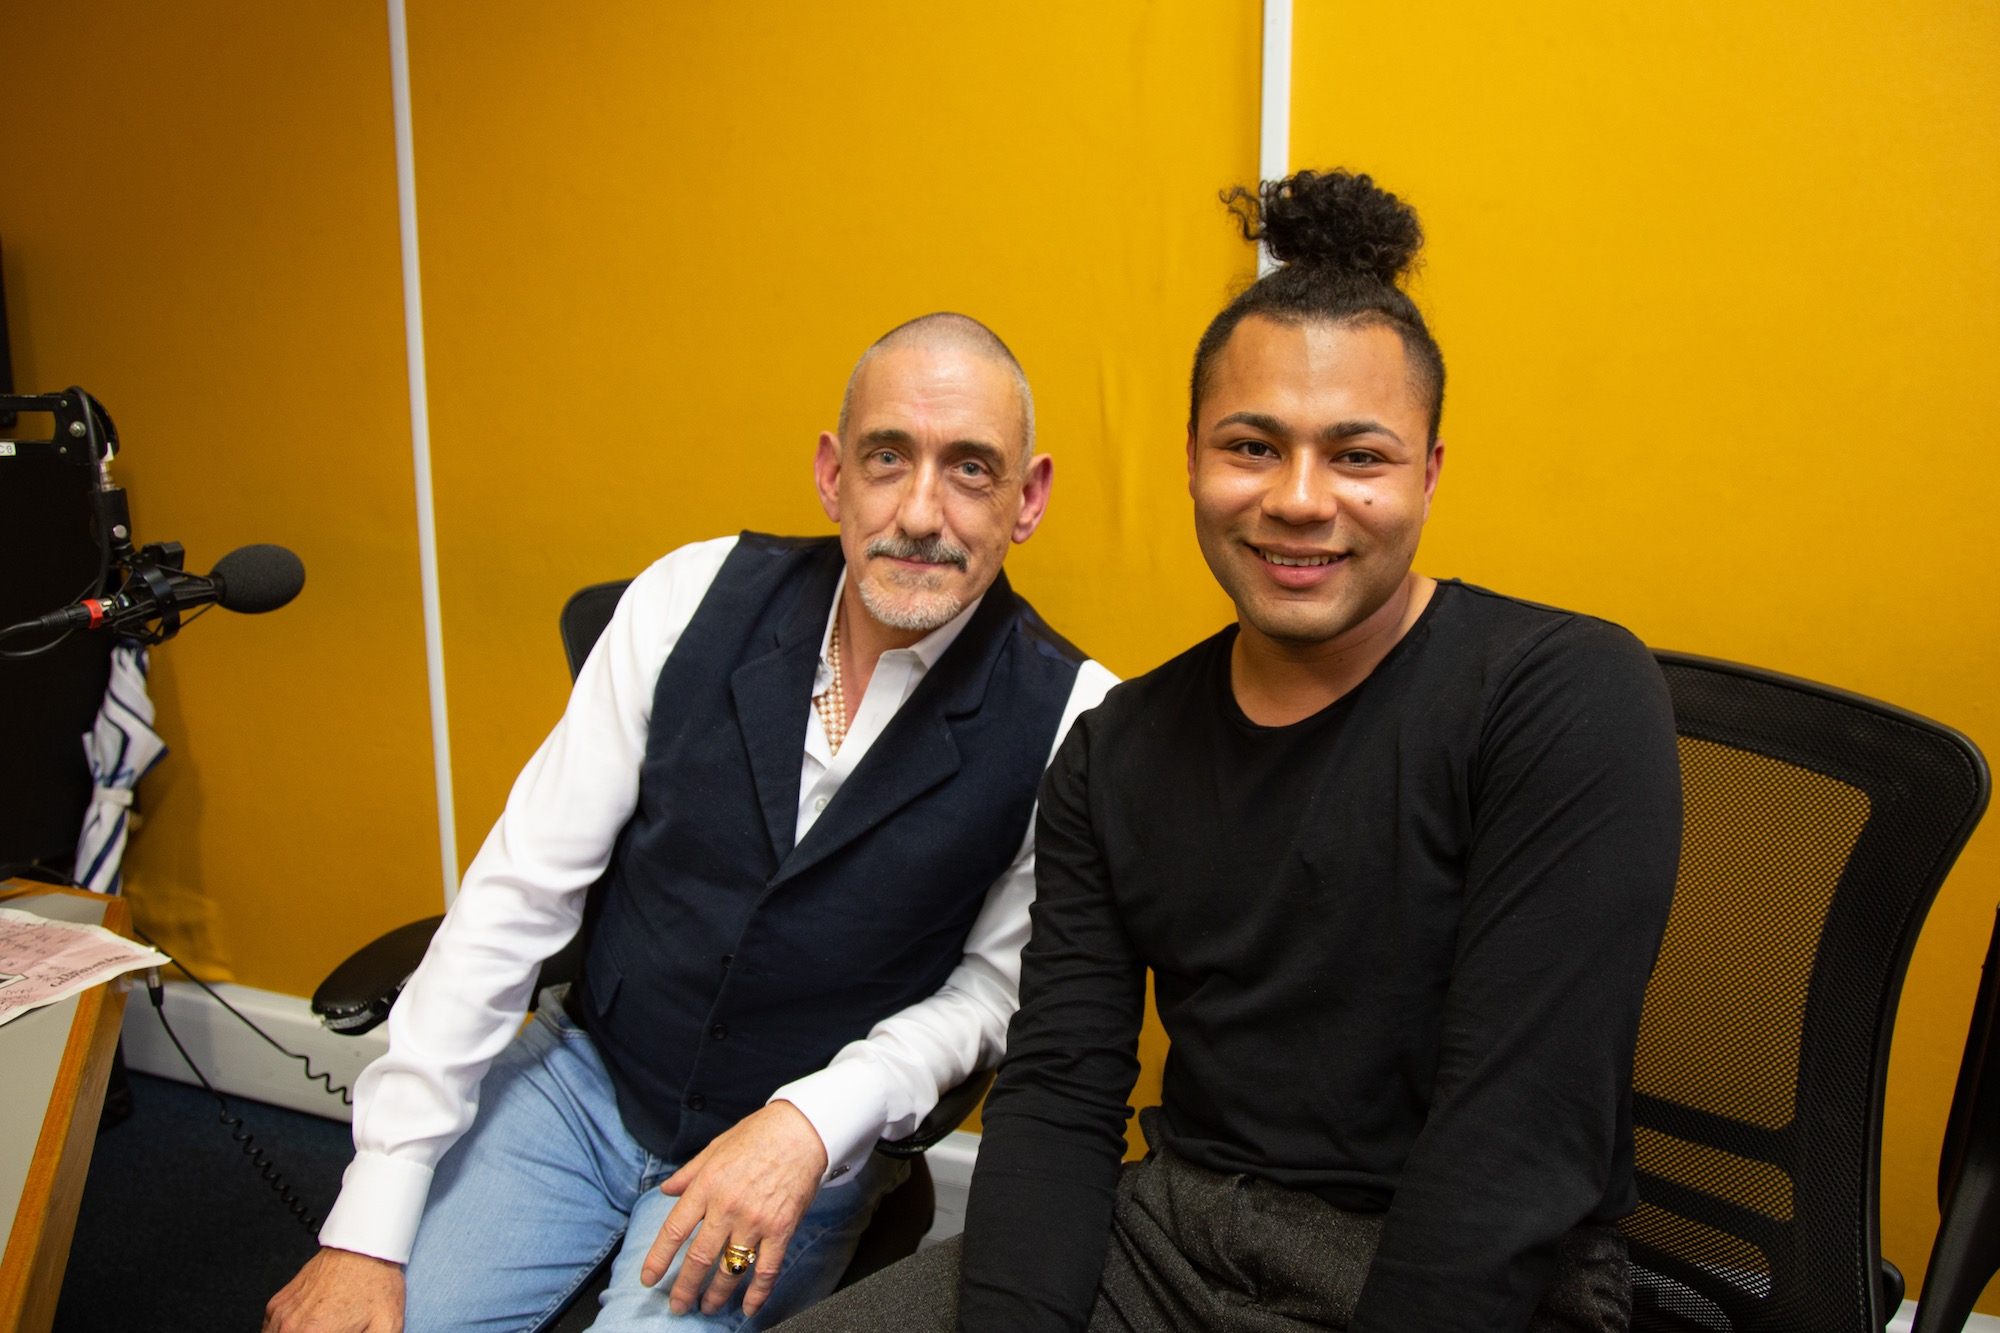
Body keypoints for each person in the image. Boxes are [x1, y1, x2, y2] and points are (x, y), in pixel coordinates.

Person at [777, 172, 1682, 1332]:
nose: (1298, 500)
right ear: (1192, 459)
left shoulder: (1560, 694)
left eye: (1357, 456)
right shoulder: (1113, 752)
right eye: (1251, 446)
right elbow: (1058, 1098)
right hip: (1172, 1234)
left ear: (1427, 472)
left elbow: (1515, 1144)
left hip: (1444, 1268)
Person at [264, 312, 1118, 1333]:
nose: (920, 511)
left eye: (970, 469)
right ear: (832, 474)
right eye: (887, 457)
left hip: (795, 1147)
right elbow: (517, 894)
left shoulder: (1074, 720)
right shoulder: (685, 596)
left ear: (1029, 498)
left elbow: (989, 992)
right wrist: (367, 1222)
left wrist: (813, 1121)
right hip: (586, 1078)